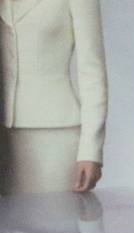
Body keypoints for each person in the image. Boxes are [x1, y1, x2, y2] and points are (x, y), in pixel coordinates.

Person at [0, 0, 107, 195]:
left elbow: (92, 74)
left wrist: (91, 152)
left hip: (57, 136)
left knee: (55, 220)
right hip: (4, 138)